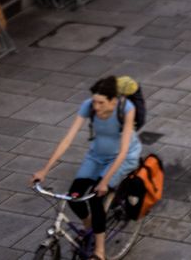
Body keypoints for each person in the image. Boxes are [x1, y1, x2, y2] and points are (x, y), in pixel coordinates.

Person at [32, 76, 142, 260]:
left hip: (122, 158)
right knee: (75, 196)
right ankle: (91, 228)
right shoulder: (89, 106)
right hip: (96, 156)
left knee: (96, 199)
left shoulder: (126, 109)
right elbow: (68, 139)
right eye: (94, 102)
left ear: (113, 101)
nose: (95, 107)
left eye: (101, 103)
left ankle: (100, 252)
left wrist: (105, 182)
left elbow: (123, 151)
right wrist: (45, 169)